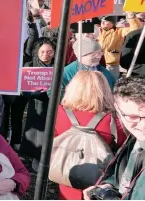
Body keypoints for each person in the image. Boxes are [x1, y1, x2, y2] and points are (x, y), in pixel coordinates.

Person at [53, 70, 126, 200]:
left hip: (66, 170)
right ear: (104, 89)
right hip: (99, 178)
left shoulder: (59, 112)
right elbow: (122, 144)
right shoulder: (113, 118)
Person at [85, 76, 145, 200]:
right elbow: (124, 175)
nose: (143, 125)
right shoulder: (133, 140)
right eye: (133, 117)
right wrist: (107, 187)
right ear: (117, 109)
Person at [18, 38, 56, 171]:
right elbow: (24, 91)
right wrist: (35, 92)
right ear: (37, 52)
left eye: (50, 51)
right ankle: (36, 161)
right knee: (37, 135)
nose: (46, 54)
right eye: (43, 52)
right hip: (38, 107)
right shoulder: (30, 66)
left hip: (55, 107)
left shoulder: (59, 65)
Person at [97, 13, 142, 79]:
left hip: (111, 66)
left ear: (113, 23)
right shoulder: (96, 30)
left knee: (112, 84)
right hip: (95, 64)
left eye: (106, 21)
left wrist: (131, 17)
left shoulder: (120, 31)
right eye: (102, 21)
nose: (103, 23)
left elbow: (136, 28)